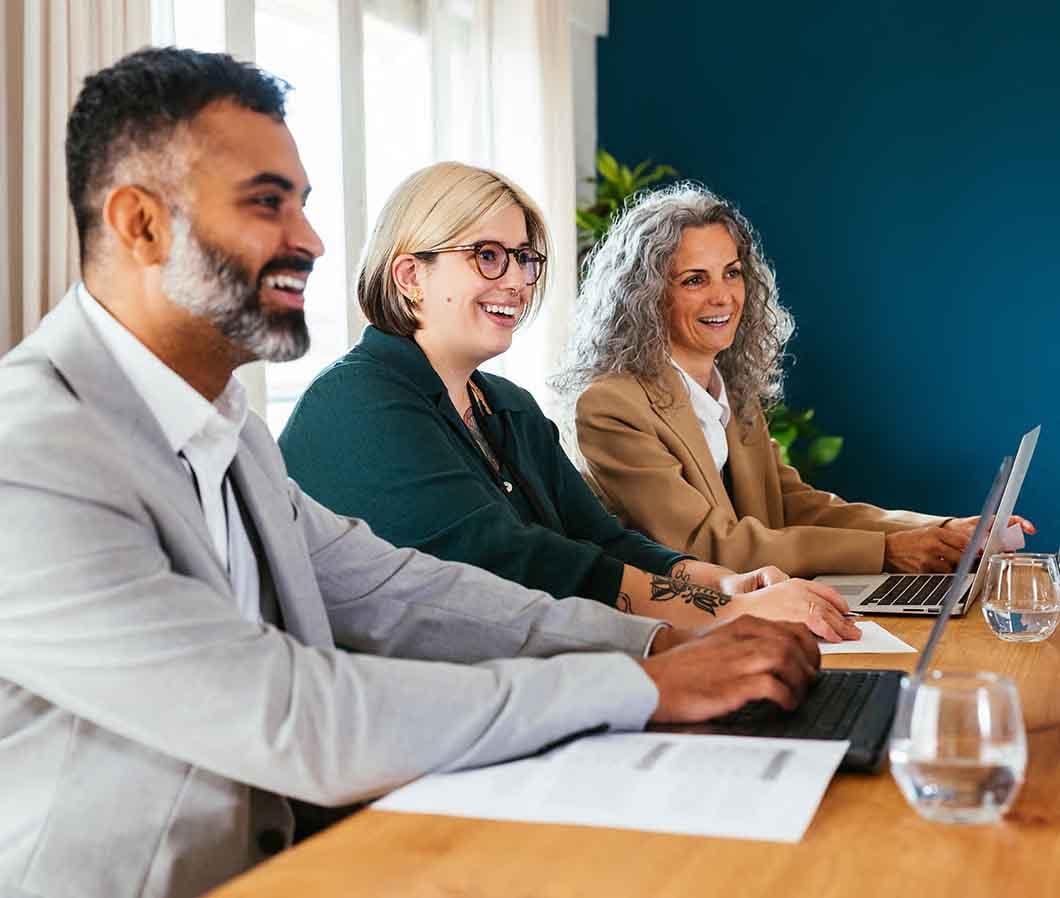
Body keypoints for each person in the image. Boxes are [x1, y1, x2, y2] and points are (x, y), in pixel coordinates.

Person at [0, 49, 823, 898]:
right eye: (266, 204)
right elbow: (295, 718)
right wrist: (642, 681)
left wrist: (669, 638)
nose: (312, 241)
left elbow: (403, 593)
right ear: (140, 224)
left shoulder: (227, 435)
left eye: (305, 206)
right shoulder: (30, 457)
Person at [278, 162, 856, 640]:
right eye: (487, 255)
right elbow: (515, 564)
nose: (517, 281)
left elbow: (602, 539)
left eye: (525, 258)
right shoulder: (357, 403)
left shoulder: (507, 405)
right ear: (409, 275)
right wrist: (727, 613)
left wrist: (720, 583)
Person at [557, 184, 1034, 578]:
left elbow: (793, 505)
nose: (723, 297)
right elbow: (707, 546)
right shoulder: (611, 406)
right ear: (646, 297)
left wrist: (944, 530)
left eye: (732, 273)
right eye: (694, 280)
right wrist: (889, 553)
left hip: (769, 604)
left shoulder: (729, 388)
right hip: (683, 633)